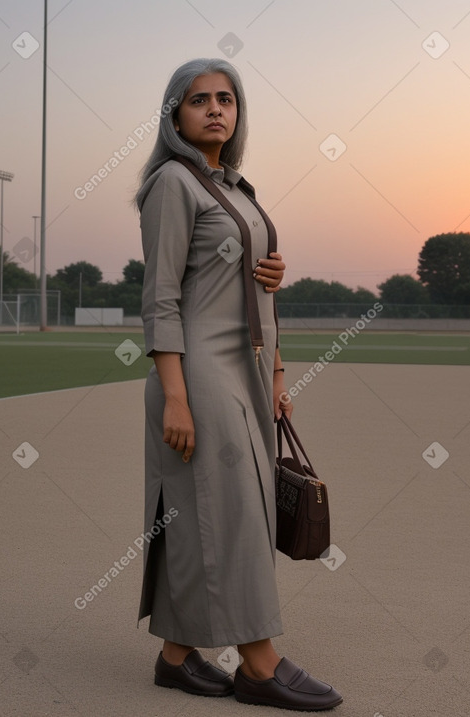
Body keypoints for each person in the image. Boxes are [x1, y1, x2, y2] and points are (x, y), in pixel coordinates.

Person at [135, 58, 343, 711]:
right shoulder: (174, 183)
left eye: (227, 99)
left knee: (199, 508)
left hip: (245, 368)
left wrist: (277, 372)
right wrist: (174, 393)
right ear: (176, 115)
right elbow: (161, 297)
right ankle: (258, 662)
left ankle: (175, 655)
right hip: (196, 367)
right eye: (200, 100)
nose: (216, 109)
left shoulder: (234, 188)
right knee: (235, 513)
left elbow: (253, 291)